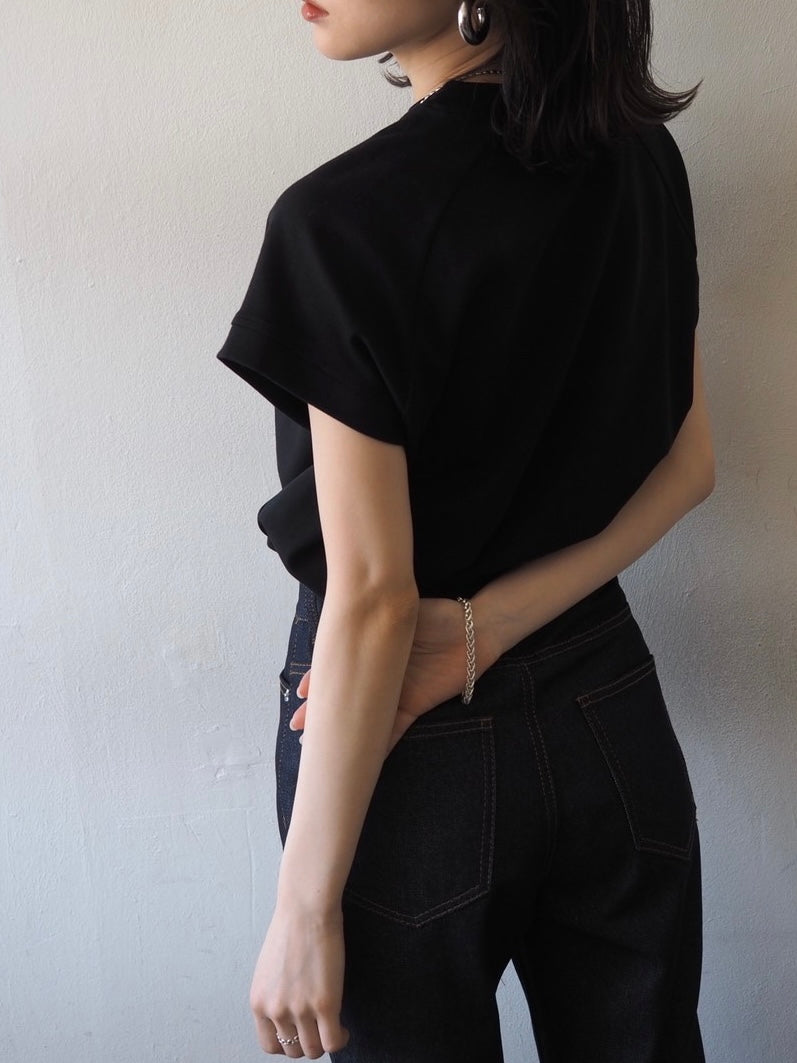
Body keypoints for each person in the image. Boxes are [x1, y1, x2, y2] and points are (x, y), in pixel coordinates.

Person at [214, 2, 713, 1060]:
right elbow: (687, 468)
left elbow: (375, 598)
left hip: (397, 732)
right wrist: (484, 629)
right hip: (605, 707)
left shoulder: (339, 221)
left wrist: (302, 909)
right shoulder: (640, 159)